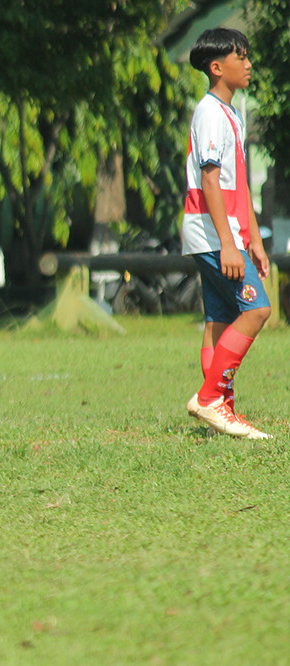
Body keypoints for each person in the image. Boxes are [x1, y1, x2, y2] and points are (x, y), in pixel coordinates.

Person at [182, 29, 271, 439]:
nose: (249, 64)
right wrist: (230, 245)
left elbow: (239, 187)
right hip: (214, 236)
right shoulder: (210, 113)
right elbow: (211, 181)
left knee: (219, 317)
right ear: (217, 67)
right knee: (257, 311)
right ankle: (210, 398)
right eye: (241, 57)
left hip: (228, 235)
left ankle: (221, 410)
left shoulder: (233, 113)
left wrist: (253, 239)